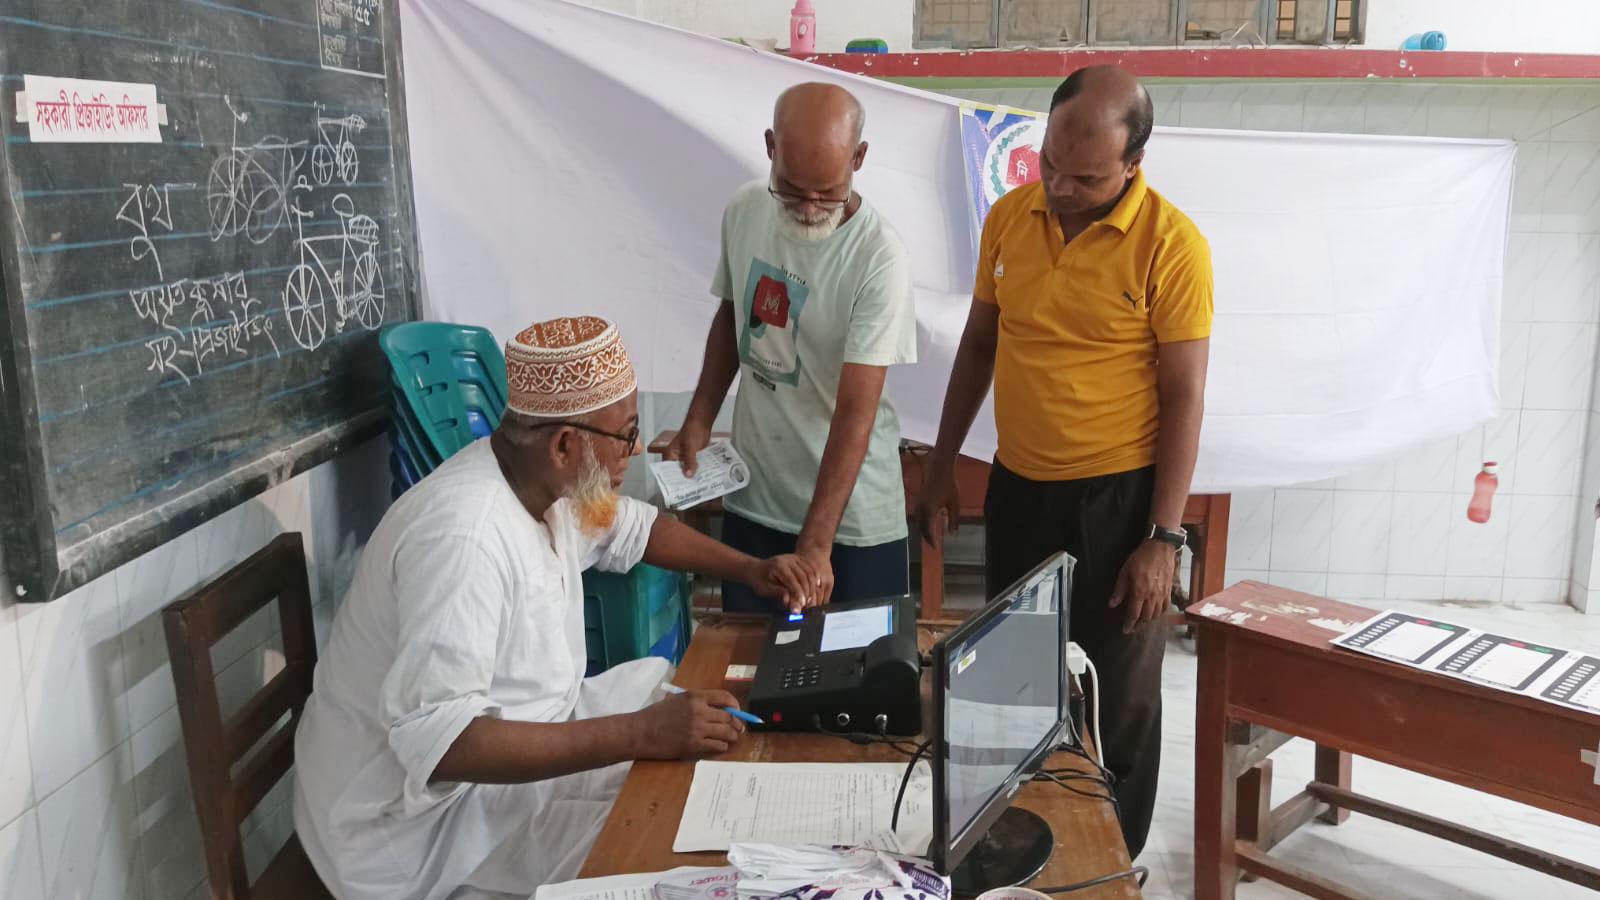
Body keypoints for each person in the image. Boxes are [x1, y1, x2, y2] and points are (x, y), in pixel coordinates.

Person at [294, 316, 821, 900]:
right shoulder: (463, 540)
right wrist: (639, 734)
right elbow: (443, 746)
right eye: (626, 434)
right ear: (566, 444)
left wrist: (751, 569)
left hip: (515, 739)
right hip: (417, 831)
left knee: (670, 703)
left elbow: (635, 530)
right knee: (656, 842)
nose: (636, 449)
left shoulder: (541, 479)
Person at [915, 66, 1212, 858]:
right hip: (1020, 490)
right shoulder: (1013, 218)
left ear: (1134, 164)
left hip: (1120, 503)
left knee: (1116, 703)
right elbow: (981, 343)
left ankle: (1114, 865)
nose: (1060, 186)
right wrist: (943, 463)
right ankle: (1025, 855)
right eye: (1050, 163)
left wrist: (1164, 538)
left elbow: (1185, 396)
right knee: (1015, 685)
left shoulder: (1173, 247)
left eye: (1085, 177)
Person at [665, 82, 917, 612]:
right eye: (793, 188)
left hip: (850, 525)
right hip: (756, 497)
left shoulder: (878, 256)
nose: (807, 207)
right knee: (747, 676)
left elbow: (855, 414)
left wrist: (816, 546)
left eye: (826, 192)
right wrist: (698, 420)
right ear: (770, 148)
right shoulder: (746, 209)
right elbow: (734, 313)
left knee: (858, 686)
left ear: (859, 158)